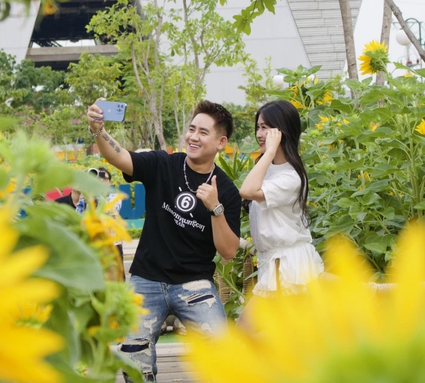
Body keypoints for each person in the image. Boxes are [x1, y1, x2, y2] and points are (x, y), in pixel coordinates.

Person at [87, 99, 241, 383]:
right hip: (146, 279)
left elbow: (229, 251)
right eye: (192, 129)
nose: (193, 137)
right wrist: (98, 130)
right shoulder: (163, 164)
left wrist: (215, 208)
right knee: (133, 358)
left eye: (203, 132)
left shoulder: (227, 191)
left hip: (195, 284)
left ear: (221, 142)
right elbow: (120, 158)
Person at [239, 100, 323, 302]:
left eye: (265, 128)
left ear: (280, 132)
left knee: (248, 330)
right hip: (274, 264)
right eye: (258, 127)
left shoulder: (291, 177)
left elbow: (247, 191)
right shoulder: (267, 169)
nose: (259, 134)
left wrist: (268, 152)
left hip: (287, 265)